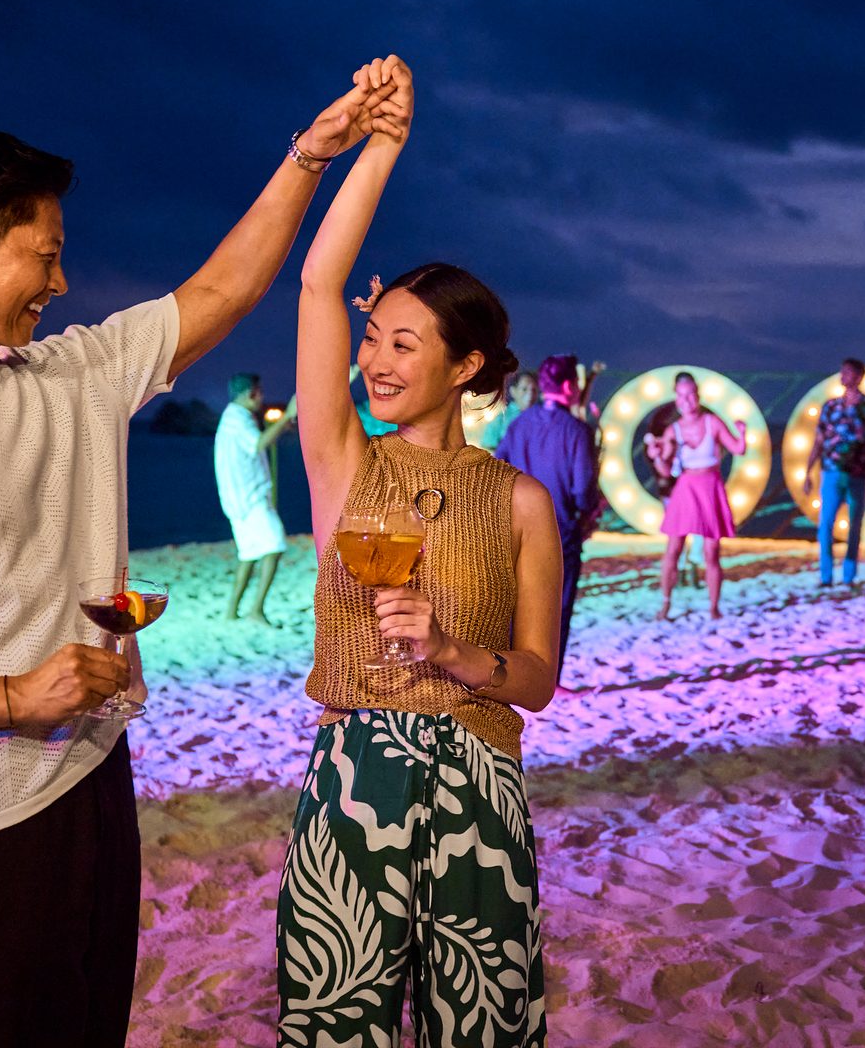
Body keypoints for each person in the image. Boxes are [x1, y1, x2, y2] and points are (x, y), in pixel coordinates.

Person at [0, 68, 392, 1046]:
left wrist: (312, 152)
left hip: (96, 784)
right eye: (42, 256)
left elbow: (225, 288)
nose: (60, 282)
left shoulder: (70, 376)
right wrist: (13, 697)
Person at [287, 56, 556, 1043]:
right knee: (334, 1021)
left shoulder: (522, 500)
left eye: (407, 344)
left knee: (480, 1027)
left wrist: (452, 653)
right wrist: (382, 145)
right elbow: (319, 286)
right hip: (356, 772)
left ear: (466, 364)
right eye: (376, 338)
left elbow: (534, 677)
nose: (377, 359)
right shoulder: (344, 463)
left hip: (482, 781)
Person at [497, 353, 600, 669]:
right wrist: (589, 512)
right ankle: (550, 679)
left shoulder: (520, 424)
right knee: (558, 607)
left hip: (516, 530)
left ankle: (511, 670)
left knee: (516, 605)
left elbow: (498, 468)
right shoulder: (577, 430)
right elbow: (583, 490)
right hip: (561, 531)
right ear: (569, 385)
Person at [656, 372, 750, 619]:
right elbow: (665, 471)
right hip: (686, 487)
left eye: (690, 394)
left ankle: (714, 606)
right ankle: (665, 603)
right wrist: (657, 455)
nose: (686, 400)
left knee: (711, 551)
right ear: (675, 398)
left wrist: (742, 432)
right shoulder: (672, 430)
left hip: (710, 486)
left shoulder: (712, 422)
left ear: (698, 395)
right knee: (674, 548)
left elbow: (738, 449)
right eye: (681, 395)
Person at [215, 373, 296, 623]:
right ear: (251, 393)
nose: (262, 396)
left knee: (249, 554)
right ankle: (256, 609)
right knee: (275, 546)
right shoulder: (238, 419)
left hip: (238, 498)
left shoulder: (233, 417)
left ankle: (232, 611)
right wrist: (286, 416)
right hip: (249, 499)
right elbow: (258, 443)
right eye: (259, 392)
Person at [806, 358, 865, 588]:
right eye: (842, 372)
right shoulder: (831, 406)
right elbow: (819, 439)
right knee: (826, 523)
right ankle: (826, 575)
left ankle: (849, 574)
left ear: (859, 377)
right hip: (832, 469)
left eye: (849, 373)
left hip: (860, 472)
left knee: (855, 523)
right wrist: (808, 469)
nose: (843, 376)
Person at [475, 369, 537, 451]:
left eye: (534, 390)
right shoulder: (501, 420)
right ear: (513, 391)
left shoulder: (540, 418)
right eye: (524, 389)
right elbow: (488, 450)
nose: (530, 394)